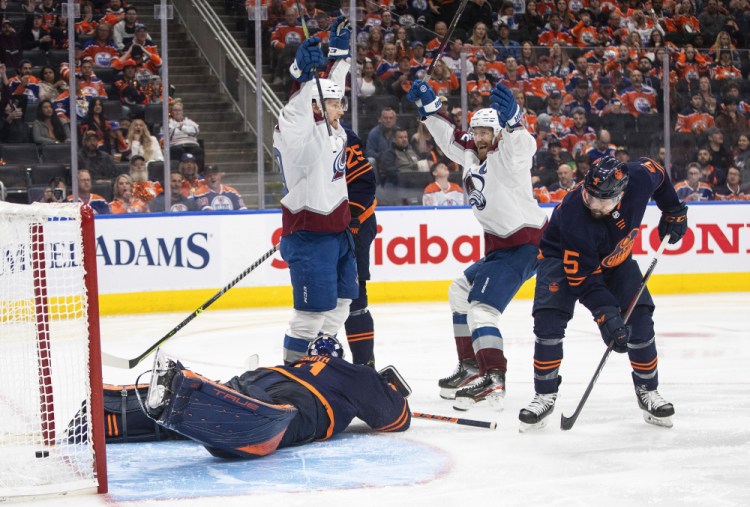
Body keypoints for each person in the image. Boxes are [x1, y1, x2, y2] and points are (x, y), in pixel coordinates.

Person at [519, 156, 688, 432]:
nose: (594, 205)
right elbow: (584, 278)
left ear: (622, 193)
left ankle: (648, 391)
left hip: (615, 259)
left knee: (640, 316)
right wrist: (606, 317)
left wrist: (673, 210)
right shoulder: (575, 215)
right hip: (561, 260)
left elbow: (657, 172)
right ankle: (545, 394)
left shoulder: (638, 178)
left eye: (603, 200)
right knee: (549, 320)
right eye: (590, 196)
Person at [406, 80, 548, 409]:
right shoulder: (472, 149)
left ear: (498, 133)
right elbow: (450, 138)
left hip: (526, 244)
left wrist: (514, 120)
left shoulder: (509, 153)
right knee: (459, 291)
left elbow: (525, 147)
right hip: (501, 248)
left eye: (487, 132)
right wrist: (429, 108)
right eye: (477, 131)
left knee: (482, 310)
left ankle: (493, 378)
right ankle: (470, 367)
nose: (481, 138)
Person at [143, 335, 410, 460]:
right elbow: (395, 420)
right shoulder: (353, 373)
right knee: (271, 409)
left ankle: (151, 401)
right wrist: (388, 387)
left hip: (263, 375)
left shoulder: (298, 364)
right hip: (306, 397)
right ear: (339, 358)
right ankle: (235, 399)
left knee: (233, 391)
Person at [273, 31, 358, 363]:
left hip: (338, 234)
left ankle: (322, 365)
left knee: (340, 306)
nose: (336, 108)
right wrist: (300, 77)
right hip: (310, 235)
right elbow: (296, 115)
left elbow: (331, 90)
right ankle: (292, 376)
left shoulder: (334, 128)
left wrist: (341, 57)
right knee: (310, 316)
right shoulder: (296, 133)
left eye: (338, 103)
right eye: (328, 103)